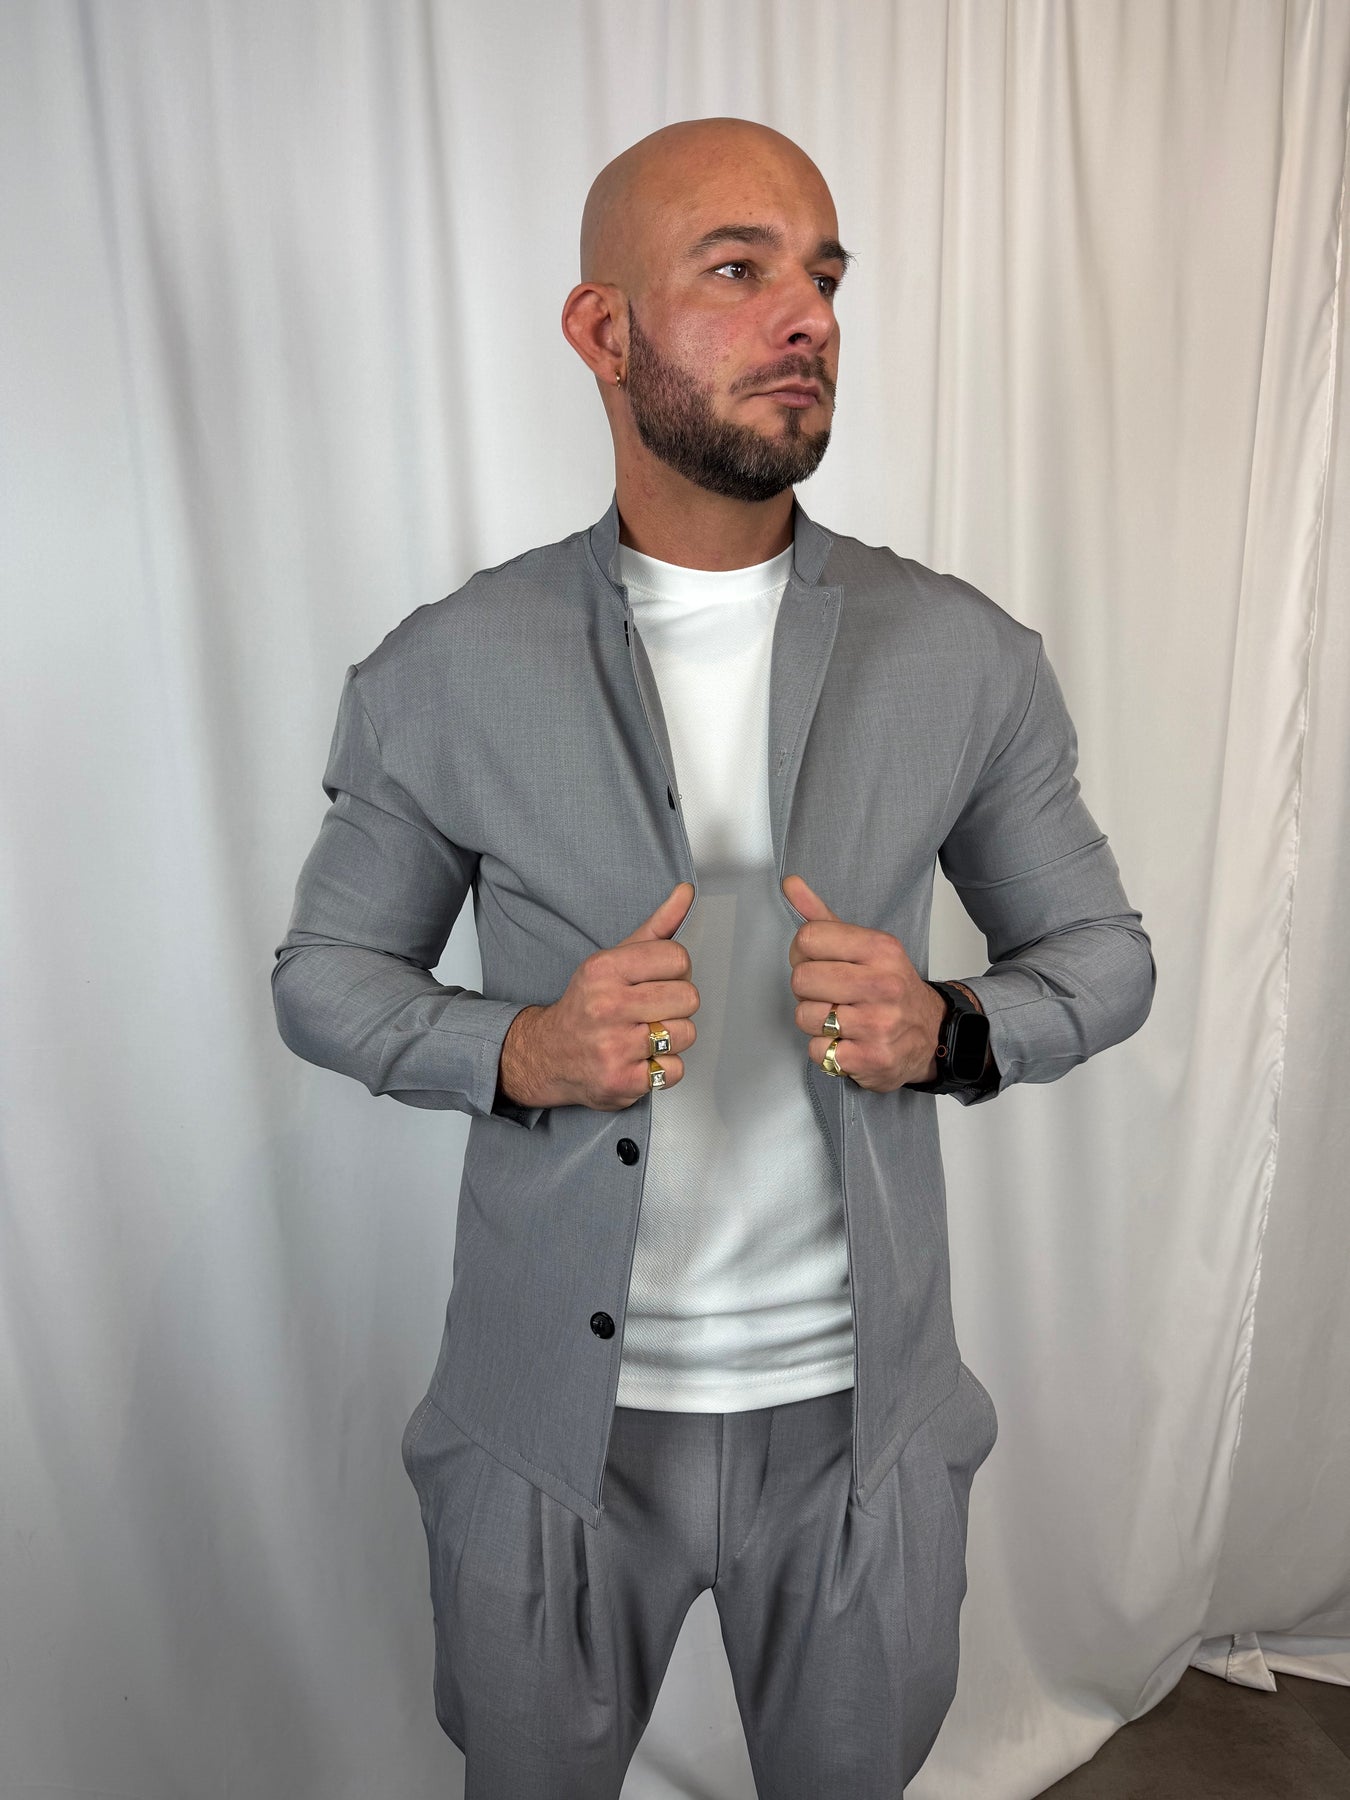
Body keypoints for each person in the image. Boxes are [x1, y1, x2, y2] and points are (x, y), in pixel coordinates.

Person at [273, 116, 1154, 1798]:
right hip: (545, 1432)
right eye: (737, 270)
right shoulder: (444, 669)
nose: (806, 316)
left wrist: (954, 1026)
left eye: (821, 276)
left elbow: (1100, 955)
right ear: (601, 331)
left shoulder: (961, 655)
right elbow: (324, 974)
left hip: (860, 1429)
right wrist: (517, 1049)